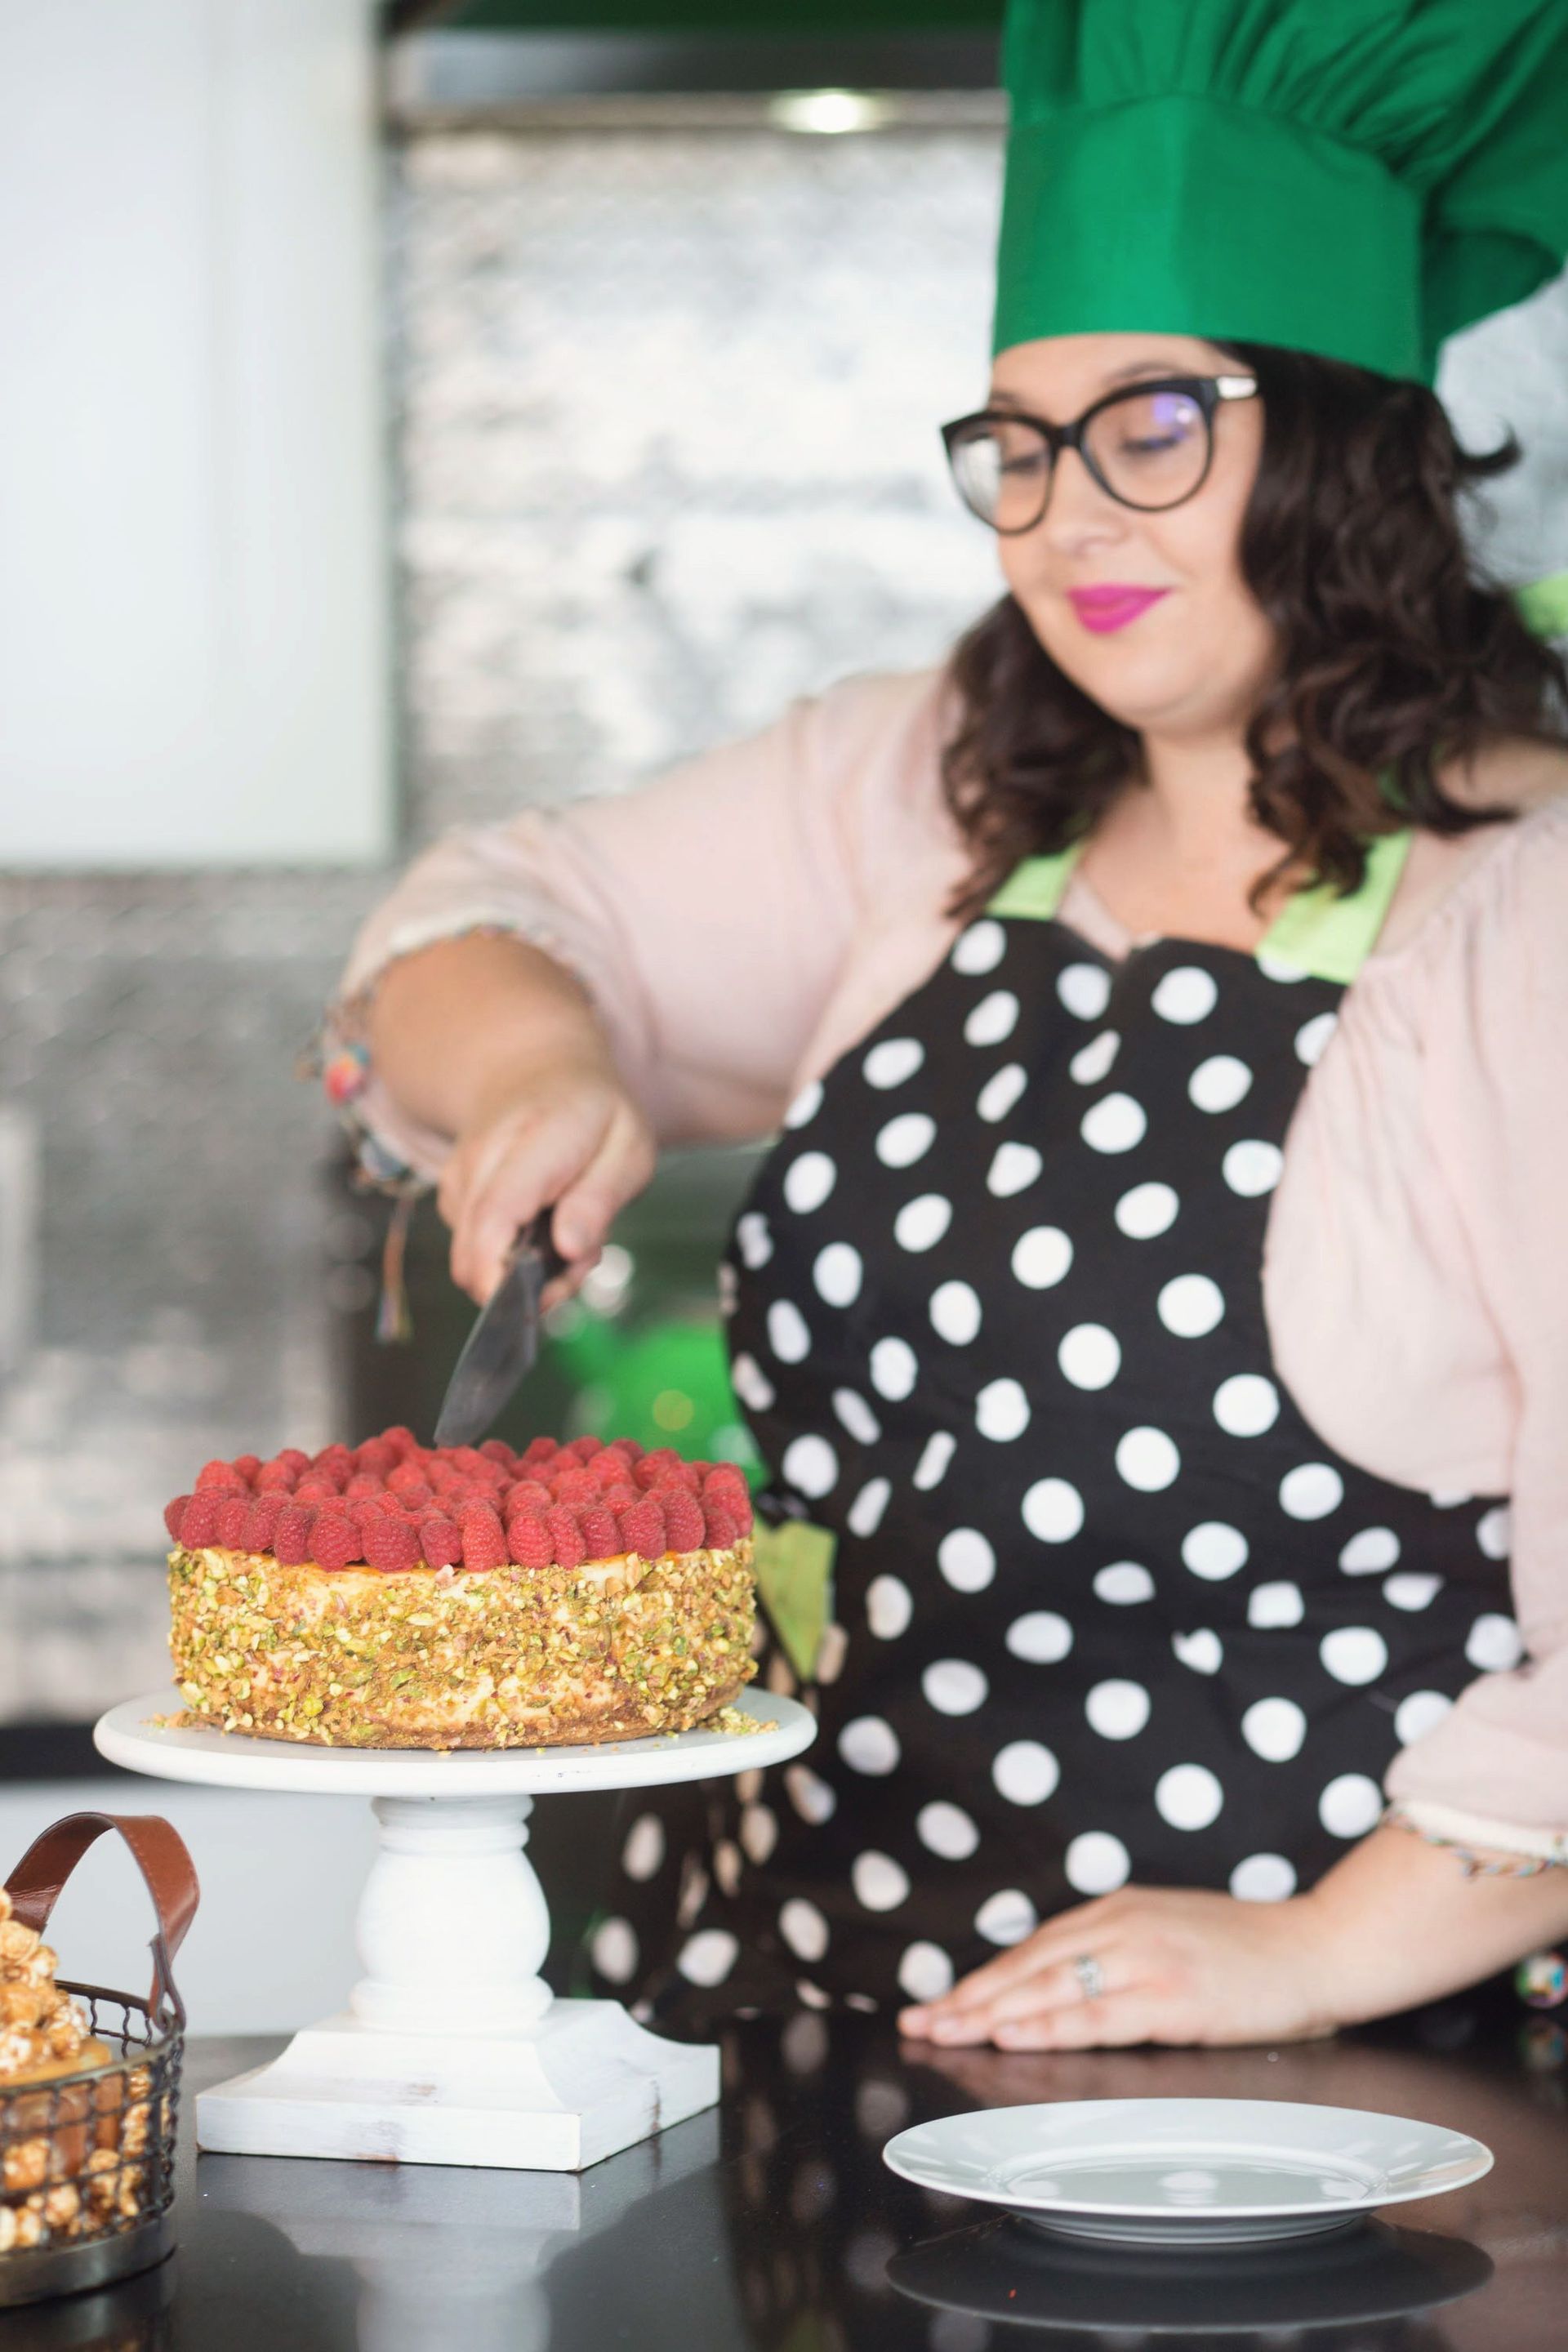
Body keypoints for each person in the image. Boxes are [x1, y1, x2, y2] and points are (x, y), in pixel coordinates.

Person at [327, 0, 1568, 2048]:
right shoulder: (939, 787)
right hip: (791, 1997)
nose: (1066, 516)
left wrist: (1315, 1956)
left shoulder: (1523, 920)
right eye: (1019, 442)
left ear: (1355, 446)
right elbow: (487, 918)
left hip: (1317, 2104)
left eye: (1153, 427)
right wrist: (544, 1066)